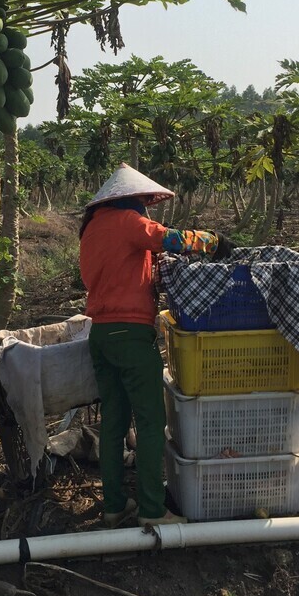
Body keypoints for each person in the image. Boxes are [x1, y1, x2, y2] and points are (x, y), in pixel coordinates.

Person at [79, 163, 234, 527]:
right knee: (150, 423)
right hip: (130, 335)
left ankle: (115, 504)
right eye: (143, 202)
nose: (146, 208)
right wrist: (212, 239)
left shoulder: (92, 229)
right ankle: (152, 510)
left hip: (100, 335)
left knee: (115, 422)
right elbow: (170, 238)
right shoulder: (126, 221)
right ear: (131, 199)